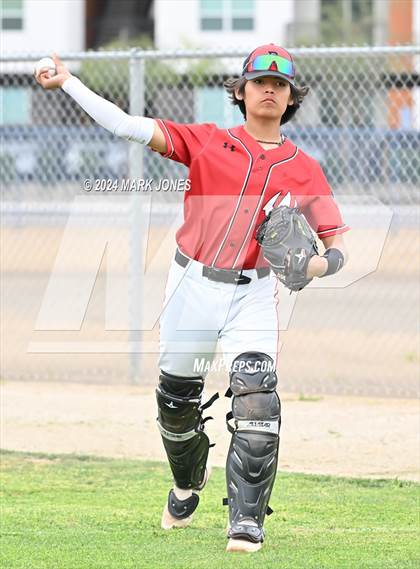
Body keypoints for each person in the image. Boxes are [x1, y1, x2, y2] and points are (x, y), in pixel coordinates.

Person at [36, 44, 349, 553]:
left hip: (253, 292)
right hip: (192, 286)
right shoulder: (207, 142)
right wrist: (68, 82)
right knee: (176, 404)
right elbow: (124, 125)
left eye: (280, 84)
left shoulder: (305, 168)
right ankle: (187, 482)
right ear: (242, 92)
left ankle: (247, 523)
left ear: (291, 98)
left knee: (257, 396)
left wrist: (317, 264)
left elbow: (336, 247)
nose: (269, 89)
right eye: (259, 81)